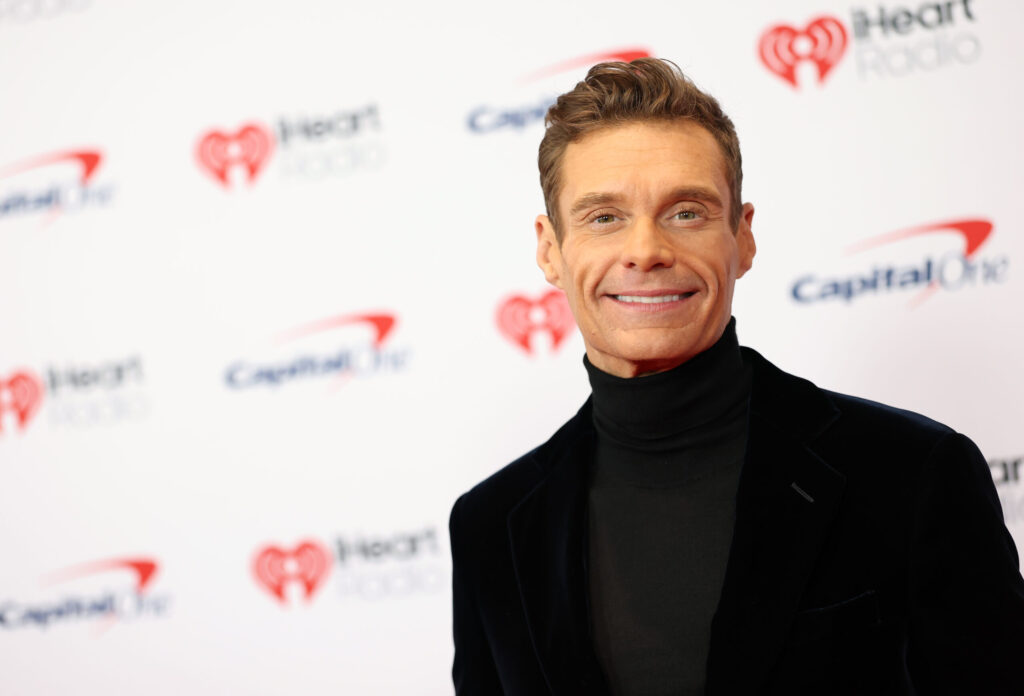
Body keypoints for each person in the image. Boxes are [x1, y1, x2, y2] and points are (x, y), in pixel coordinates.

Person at [448, 58, 1024, 695]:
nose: (646, 249)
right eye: (604, 217)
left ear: (742, 238)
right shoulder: (489, 528)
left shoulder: (913, 474)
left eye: (686, 212)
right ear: (550, 250)